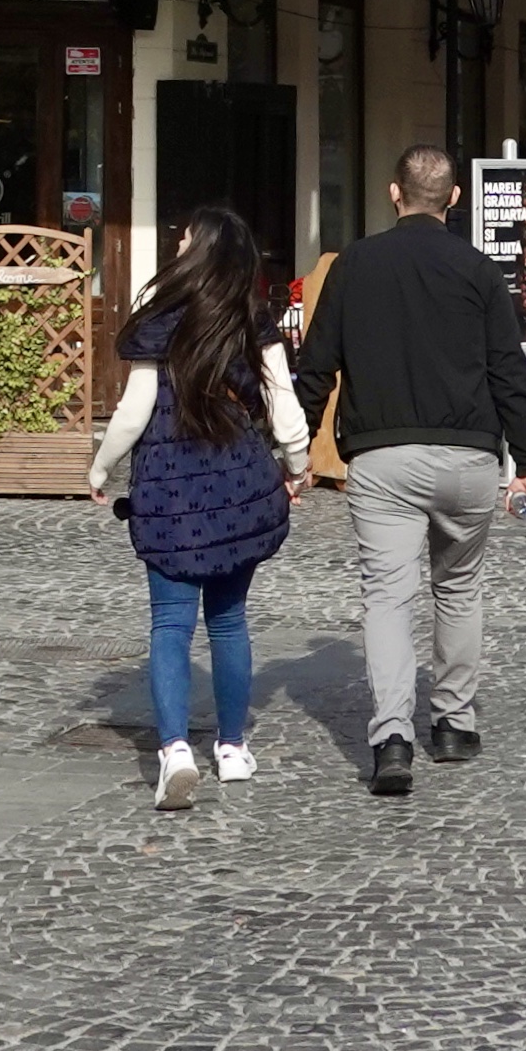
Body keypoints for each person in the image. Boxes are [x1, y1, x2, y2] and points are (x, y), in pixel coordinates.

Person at [292, 142, 526, 797]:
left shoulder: (354, 264)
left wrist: (291, 454)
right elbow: (507, 370)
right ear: (454, 198)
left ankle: (392, 737)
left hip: (382, 456)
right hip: (468, 454)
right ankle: (455, 724)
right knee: (458, 589)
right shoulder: (480, 270)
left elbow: (317, 364)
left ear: (393, 192)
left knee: (387, 597)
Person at [89, 204, 309, 812]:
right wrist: (298, 466)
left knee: (169, 625)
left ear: (198, 249)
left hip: (168, 490)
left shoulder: (157, 322)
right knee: (231, 622)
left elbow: (132, 414)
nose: (176, 243)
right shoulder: (251, 320)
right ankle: (233, 749)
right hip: (238, 487)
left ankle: (175, 752)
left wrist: (100, 468)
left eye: (183, 237)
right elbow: (286, 408)